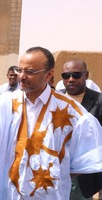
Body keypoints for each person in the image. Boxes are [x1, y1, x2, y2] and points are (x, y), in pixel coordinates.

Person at [0, 47, 102, 200]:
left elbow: (86, 159)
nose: (22, 76)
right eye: (20, 70)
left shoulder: (71, 112)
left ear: (48, 75)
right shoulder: (6, 103)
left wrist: (51, 173)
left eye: (30, 72)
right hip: (9, 193)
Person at [60, 59, 102, 200]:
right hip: (55, 173)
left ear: (86, 75)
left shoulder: (99, 100)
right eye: (66, 76)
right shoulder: (54, 98)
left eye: (76, 75)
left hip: (82, 178)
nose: (71, 79)